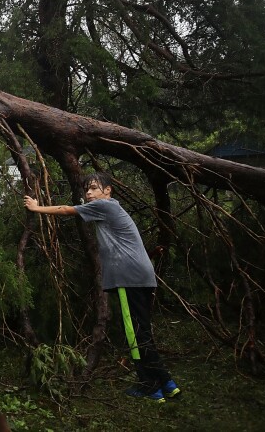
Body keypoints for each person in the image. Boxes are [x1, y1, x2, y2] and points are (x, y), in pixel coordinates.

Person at [23, 171, 180, 403]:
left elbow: (66, 210)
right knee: (142, 329)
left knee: (135, 333)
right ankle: (166, 382)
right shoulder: (111, 209)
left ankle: (151, 387)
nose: (88, 192)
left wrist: (36, 208)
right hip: (139, 276)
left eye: (94, 188)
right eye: (87, 189)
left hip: (128, 278)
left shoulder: (106, 207)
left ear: (108, 191)